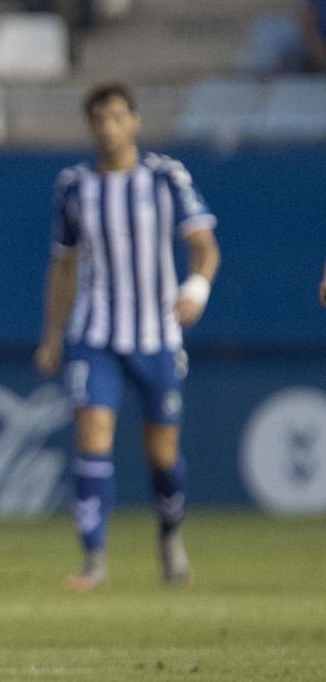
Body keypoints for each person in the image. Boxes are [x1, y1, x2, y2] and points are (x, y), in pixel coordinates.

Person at [35, 83, 220, 592]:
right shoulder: (74, 186)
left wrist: (197, 289)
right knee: (93, 441)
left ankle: (170, 537)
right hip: (94, 337)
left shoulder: (165, 177)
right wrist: (53, 335)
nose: (108, 127)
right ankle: (94, 558)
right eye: (99, 118)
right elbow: (64, 267)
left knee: (162, 455)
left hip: (157, 335)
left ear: (135, 121)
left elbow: (204, 245)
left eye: (117, 117)